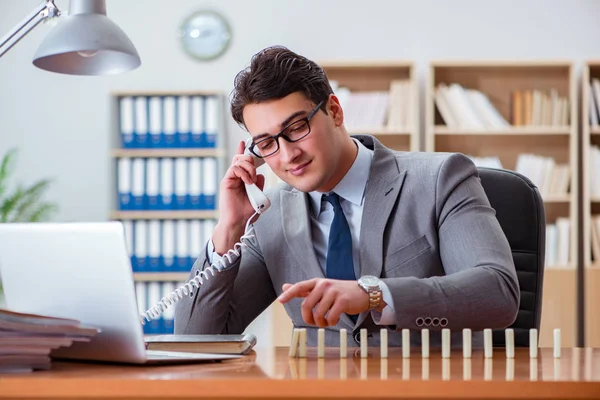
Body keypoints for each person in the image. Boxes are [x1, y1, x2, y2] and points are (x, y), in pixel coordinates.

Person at [174, 46, 519, 348]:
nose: (288, 154)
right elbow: (196, 338)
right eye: (266, 143)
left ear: (335, 112)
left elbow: (497, 293)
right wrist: (229, 229)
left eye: (296, 128)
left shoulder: (440, 178)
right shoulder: (271, 216)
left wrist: (375, 294)